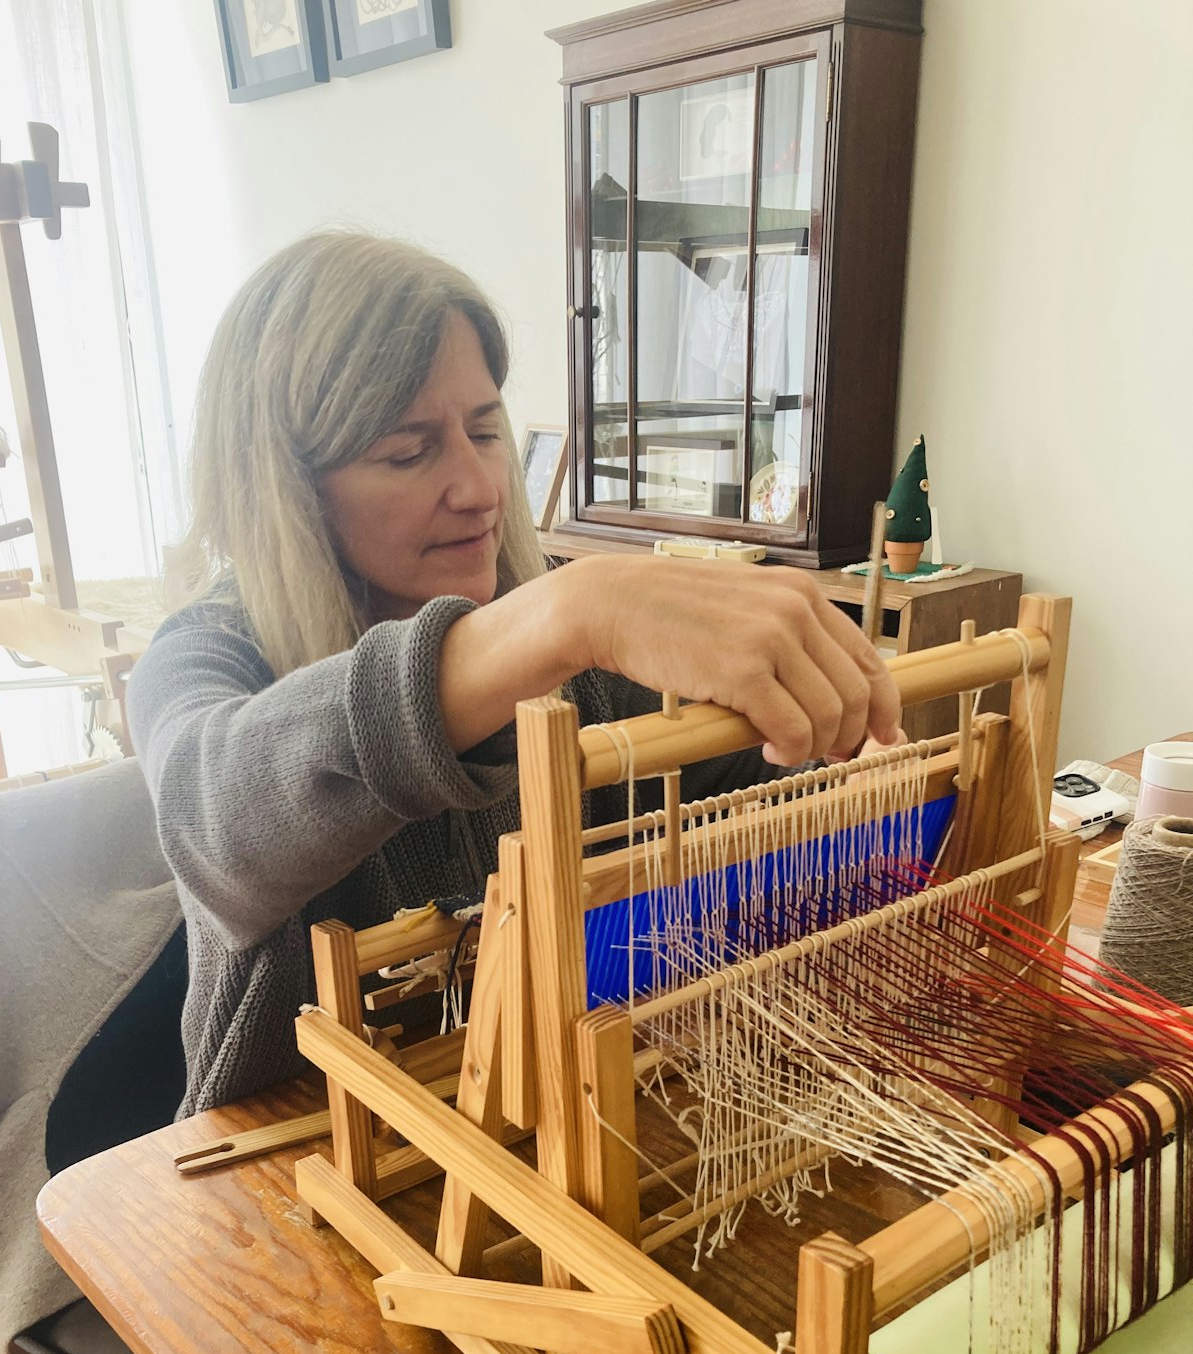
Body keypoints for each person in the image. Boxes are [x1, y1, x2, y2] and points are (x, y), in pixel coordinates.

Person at [128, 231, 899, 1118]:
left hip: (565, 1110)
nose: (481, 488)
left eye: (486, 431)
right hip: (285, 1159)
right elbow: (215, 817)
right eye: (409, 451)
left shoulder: (573, 656)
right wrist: (571, 612)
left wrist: (845, 766)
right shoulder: (203, 656)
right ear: (289, 489)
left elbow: (741, 789)